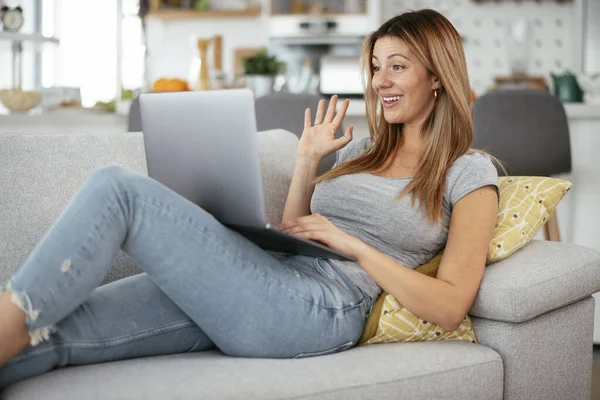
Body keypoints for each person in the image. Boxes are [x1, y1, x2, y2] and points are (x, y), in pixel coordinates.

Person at [0, 8, 499, 387]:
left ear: (437, 76)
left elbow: (452, 305)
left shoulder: (468, 170)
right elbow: (293, 234)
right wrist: (307, 161)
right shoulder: (365, 150)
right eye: (375, 67)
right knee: (59, 330)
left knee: (117, 189)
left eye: (397, 66)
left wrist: (352, 246)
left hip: (324, 307)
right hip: (269, 277)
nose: (378, 81)